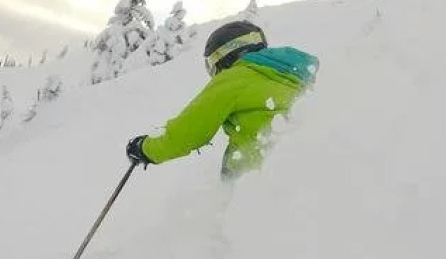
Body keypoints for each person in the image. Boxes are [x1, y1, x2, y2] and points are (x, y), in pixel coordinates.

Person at [126, 20, 319, 179]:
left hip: (257, 181)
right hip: (302, 175)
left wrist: (144, 149)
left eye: (213, 62)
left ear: (226, 54)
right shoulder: (302, 74)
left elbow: (186, 134)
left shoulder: (235, 78)